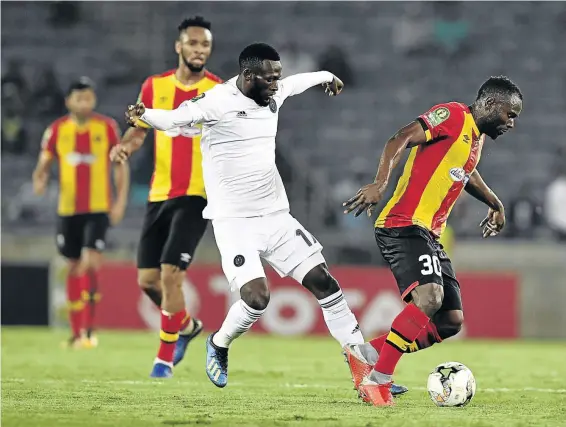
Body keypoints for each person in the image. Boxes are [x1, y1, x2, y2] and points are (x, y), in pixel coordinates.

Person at [118, 42, 401, 394]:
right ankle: (218, 344)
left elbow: (297, 83)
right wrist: (144, 115)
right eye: (268, 79)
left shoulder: (274, 92)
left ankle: (364, 369)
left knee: (326, 284)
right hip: (234, 222)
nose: (275, 84)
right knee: (256, 298)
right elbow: (174, 118)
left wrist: (327, 76)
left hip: (276, 216)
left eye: (277, 77)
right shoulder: (217, 101)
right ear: (248, 76)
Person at [342, 76, 523, 406]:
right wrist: (380, 184)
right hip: (403, 223)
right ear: (493, 105)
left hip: (430, 234)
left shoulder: (475, 140)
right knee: (430, 296)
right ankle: (378, 381)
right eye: (510, 115)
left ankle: (365, 354)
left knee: (450, 321)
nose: (512, 123)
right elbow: (399, 138)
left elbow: (465, 172)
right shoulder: (453, 115)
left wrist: (494, 202)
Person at [109, 16, 222, 378]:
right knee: (147, 281)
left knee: (172, 274)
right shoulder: (154, 86)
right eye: (193, 43)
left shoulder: (219, 90)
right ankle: (187, 326)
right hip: (160, 193)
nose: (199, 50)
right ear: (179, 47)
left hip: (198, 194)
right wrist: (125, 148)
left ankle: (163, 359)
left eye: (205, 45)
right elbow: (138, 131)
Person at [32, 77, 130, 348]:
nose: (84, 103)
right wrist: (39, 179)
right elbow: (44, 161)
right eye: (79, 98)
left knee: (90, 260)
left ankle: (89, 330)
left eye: (88, 98)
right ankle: (77, 333)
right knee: (74, 266)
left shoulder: (107, 128)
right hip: (68, 210)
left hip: (98, 208)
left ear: (93, 100)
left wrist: (120, 201)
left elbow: (119, 166)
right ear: (69, 101)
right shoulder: (56, 130)